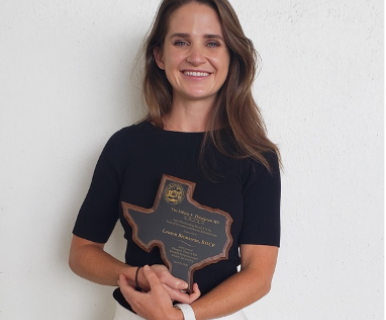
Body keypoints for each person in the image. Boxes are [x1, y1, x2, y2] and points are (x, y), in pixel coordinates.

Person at [69, 0, 282, 319]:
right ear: (159, 55)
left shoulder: (255, 156)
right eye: (181, 42)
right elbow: (81, 254)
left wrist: (182, 316)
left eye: (212, 42)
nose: (197, 57)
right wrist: (139, 275)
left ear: (231, 56)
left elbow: (258, 275)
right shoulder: (125, 146)